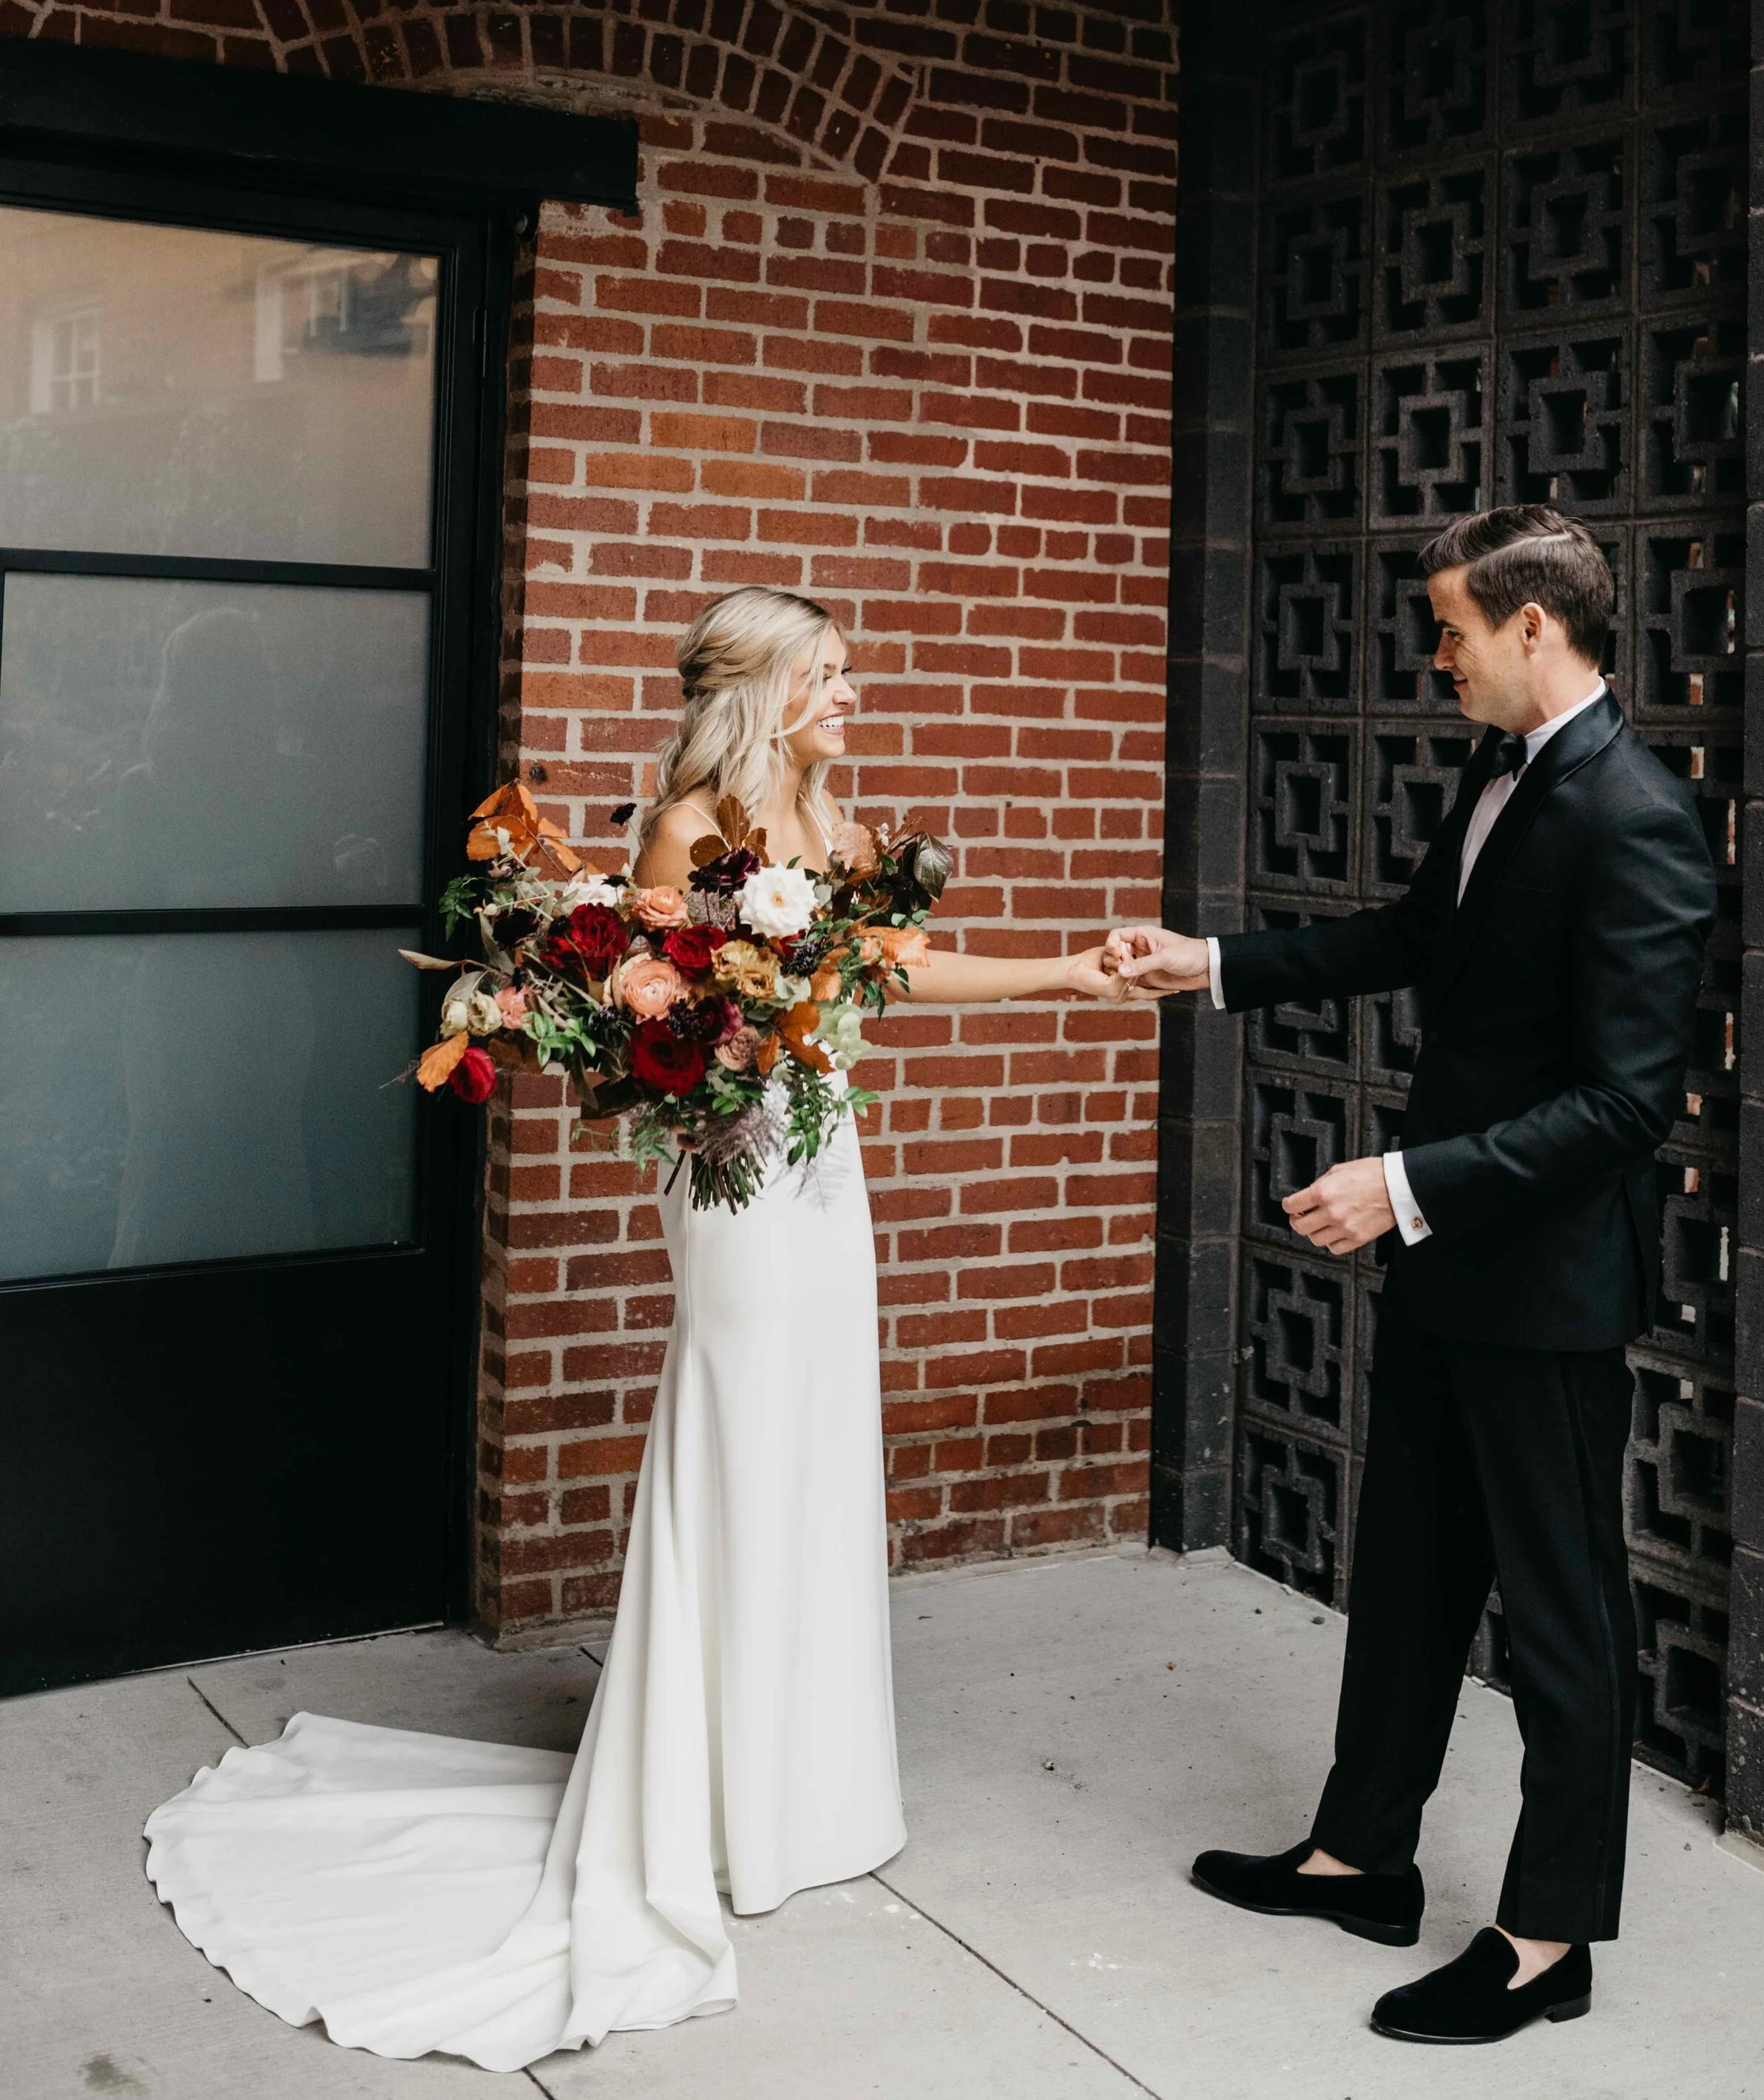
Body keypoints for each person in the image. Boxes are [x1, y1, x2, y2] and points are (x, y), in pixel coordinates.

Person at [143, 585, 1126, 2071]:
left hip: (819, 1152)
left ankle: (802, 1793)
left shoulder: (829, 809)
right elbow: (636, 998)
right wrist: (688, 1032)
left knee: (813, 1436)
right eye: (831, 675)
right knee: (739, 1428)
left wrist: (1061, 974)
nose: (853, 694)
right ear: (763, 687)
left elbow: (883, 973)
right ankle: (698, 1797)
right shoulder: (683, 826)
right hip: (727, 1170)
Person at [1106, 507, 1715, 2048]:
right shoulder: (1491, 771)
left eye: (1447, 628)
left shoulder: (1633, 812)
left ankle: (1545, 1939)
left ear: (1531, 628)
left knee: (1563, 1621)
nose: (1429, 655)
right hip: (1442, 1267)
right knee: (1406, 1577)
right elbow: (1412, 937)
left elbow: (1628, 1105)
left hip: (1541, 1285)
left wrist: (1403, 1184)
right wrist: (1216, 964)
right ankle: (1357, 1855)